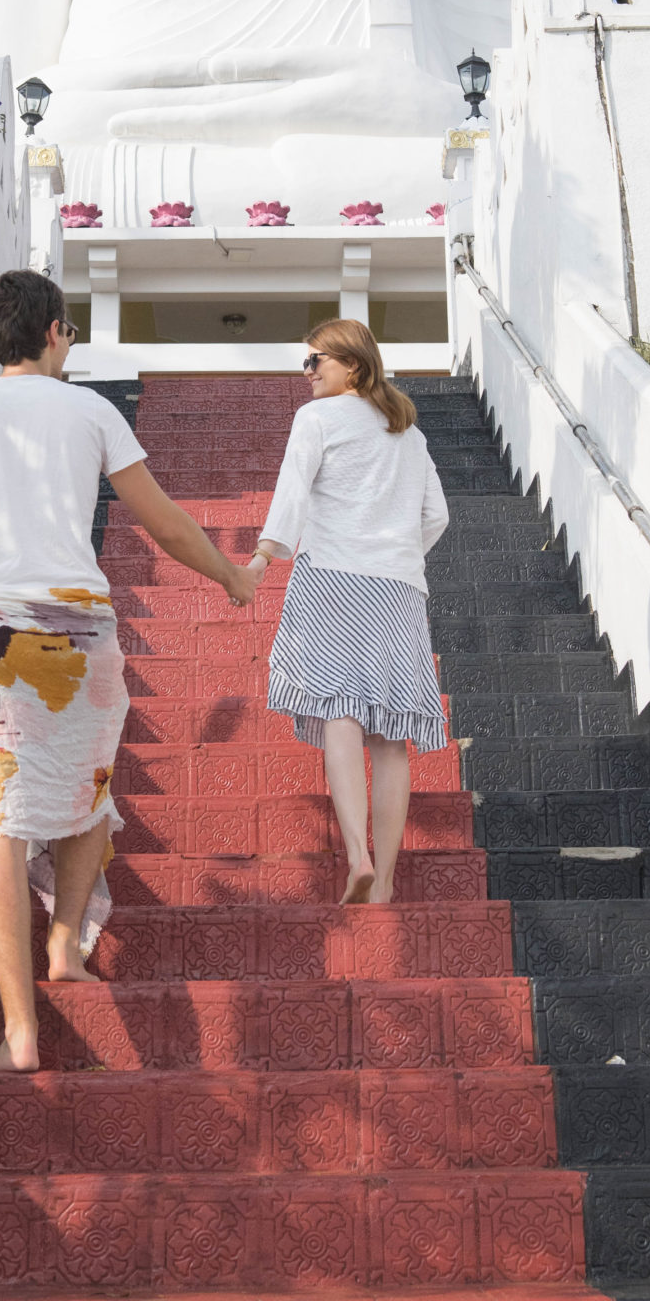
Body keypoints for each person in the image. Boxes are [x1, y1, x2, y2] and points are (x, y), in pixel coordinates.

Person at [0, 269, 259, 1072]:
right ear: (56, 331)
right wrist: (231, 577)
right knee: (86, 788)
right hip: (82, 638)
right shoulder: (92, 411)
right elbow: (163, 522)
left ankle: (23, 1033)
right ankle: (65, 943)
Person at [249, 318, 449, 905]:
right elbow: (436, 516)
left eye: (316, 362)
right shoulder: (407, 433)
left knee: (340, 712)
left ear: (351, 366)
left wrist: (260, 561)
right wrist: (396, 553)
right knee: (390, 738)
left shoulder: (317, 420)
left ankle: (356, 853)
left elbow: (291, 493)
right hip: (399, 588)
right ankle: (383, 883)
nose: (306, 373)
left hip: (333, 577)